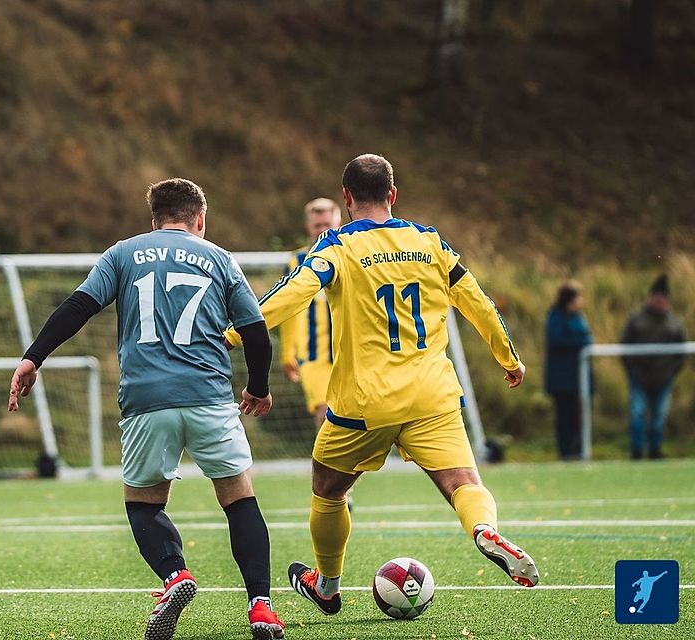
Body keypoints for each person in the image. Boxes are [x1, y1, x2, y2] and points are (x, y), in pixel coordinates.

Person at [225, 154, 539, 618]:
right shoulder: (429, 241)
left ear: (347, 198)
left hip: (364, 401)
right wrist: (508, 358)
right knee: (462, 483)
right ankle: (482, 529)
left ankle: (328, 585)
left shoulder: (337, 247)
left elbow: (291, 294)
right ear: (393, 195)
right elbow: (478, 302)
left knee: (328, 488)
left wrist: (232, 335)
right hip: (432, 395)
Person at [8, 178, 285, 640]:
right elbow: (255, 332)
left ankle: (175, 575)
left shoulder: (123, 253)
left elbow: (78, 307)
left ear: (153, 219)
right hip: (209, 396)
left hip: (145, 399)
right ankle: (260, 607)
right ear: (200, 220)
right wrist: (258, 386)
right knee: (240, 499)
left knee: (143, 504)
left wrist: (33, 357)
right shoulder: (219, 257)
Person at [278, 198, 341, 429]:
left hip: (352, 352)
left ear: (339, 222)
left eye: (328, 224)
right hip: (315, 356)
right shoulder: (298, 262)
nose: (323, 230)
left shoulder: (353, 256)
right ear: (309, 228)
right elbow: (288, 309)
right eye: (318, 226)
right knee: (325, 413)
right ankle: (328, 464)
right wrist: (287, 354)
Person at [620, 274, 688, 459]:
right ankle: (636, 451)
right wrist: (632, 369)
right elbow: (624, 345)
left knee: (659, 417)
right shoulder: (636, 320)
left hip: (664, 378)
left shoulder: (674, 323)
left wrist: (671, 372)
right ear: (650, 298)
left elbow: (681, 351)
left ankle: (655, 450)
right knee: (637, 414)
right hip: (639, 377)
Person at [544, 281, 592, 460]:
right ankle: (565, 451)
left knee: (577, 415)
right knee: (564, 415)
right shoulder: (556, 317)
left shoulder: (578, 317)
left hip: (579, 376)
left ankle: (578, 449)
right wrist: (581, 342)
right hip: (562, 378)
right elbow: (556, 341)